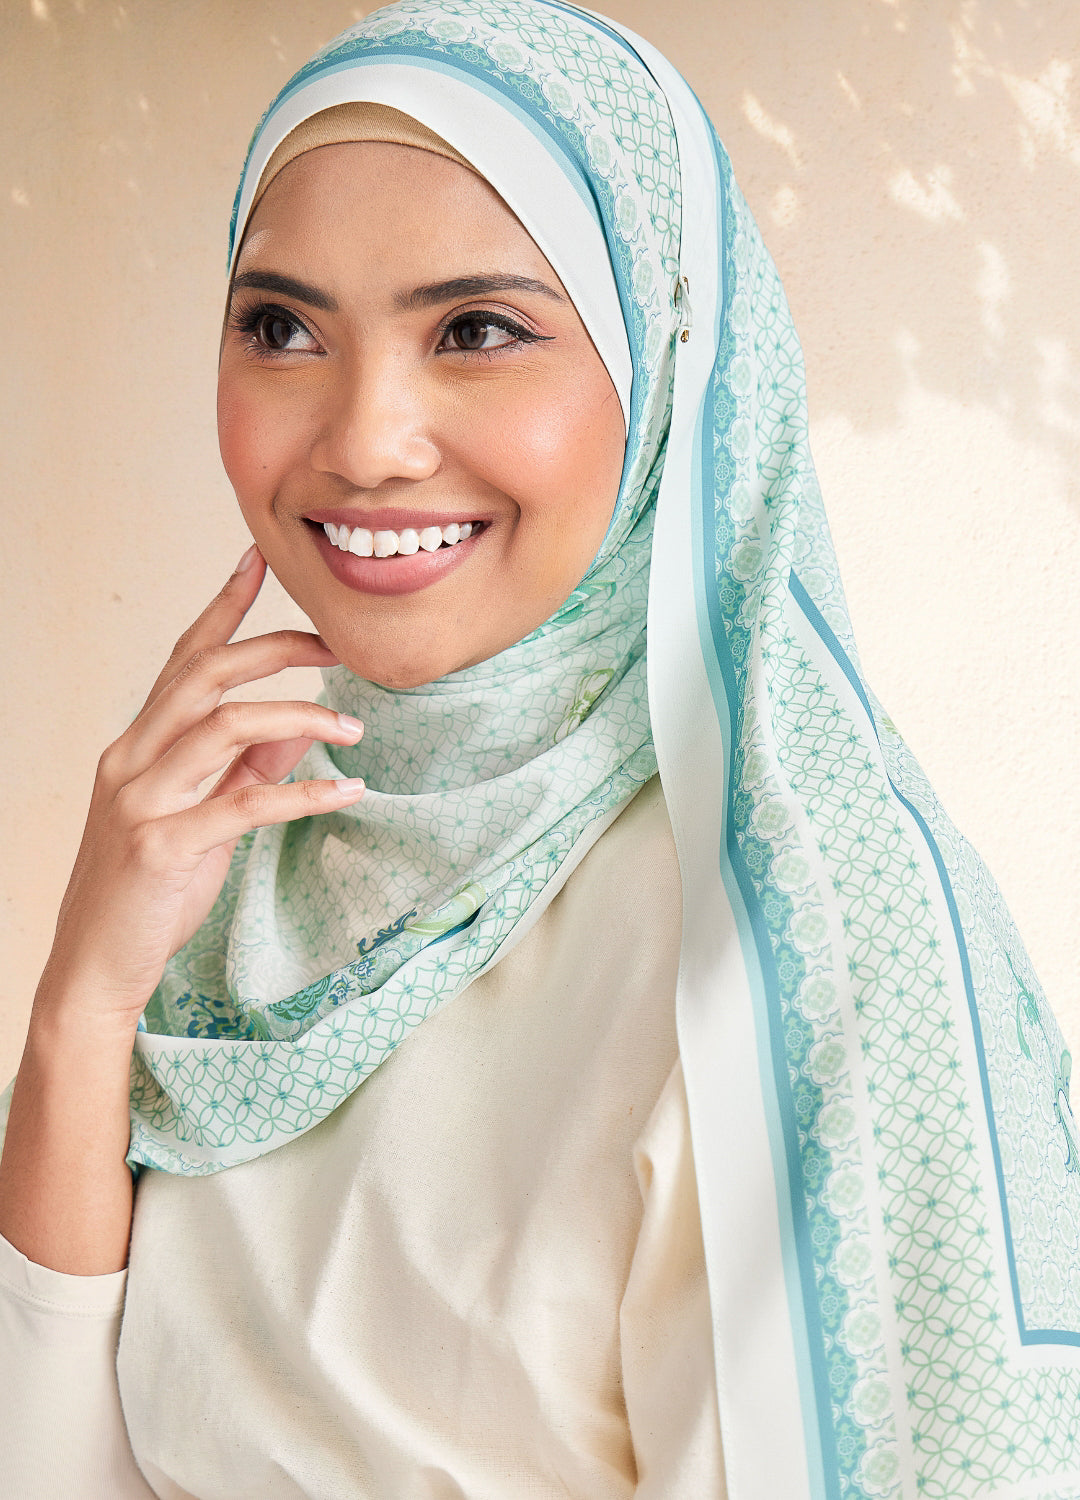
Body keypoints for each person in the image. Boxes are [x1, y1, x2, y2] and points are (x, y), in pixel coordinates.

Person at [1, 3, 1078, 1497]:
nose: (367, 438)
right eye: (282, 326)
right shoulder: (252, 861)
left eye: (480, 331)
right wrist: (82, 1007)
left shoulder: (807, 934)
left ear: (669, 370)